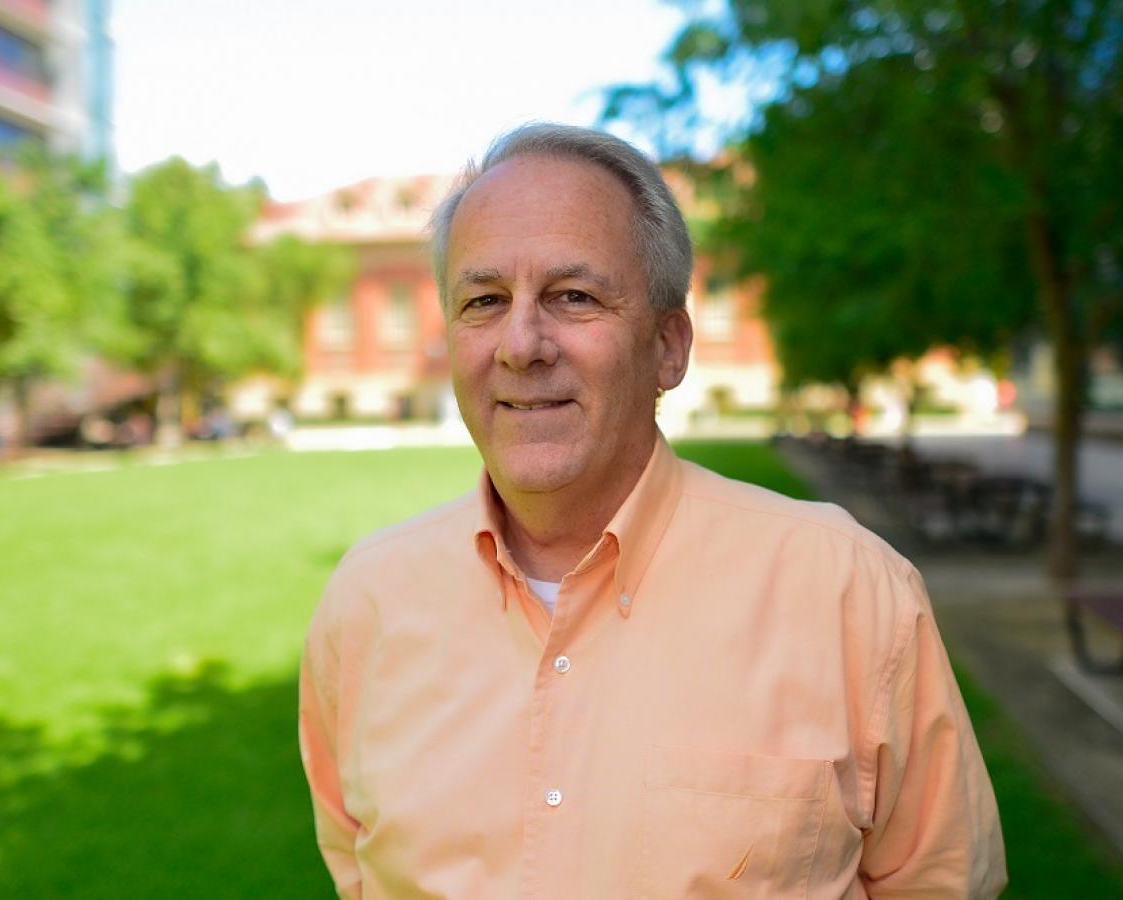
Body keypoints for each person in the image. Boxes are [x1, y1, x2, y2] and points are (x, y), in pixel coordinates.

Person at [299, 123, 1006, 899]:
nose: (521, 343)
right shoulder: (368, 604)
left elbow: (940, 883)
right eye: (484, 300)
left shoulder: (847, 592)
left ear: (669, 346)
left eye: (573, 296)